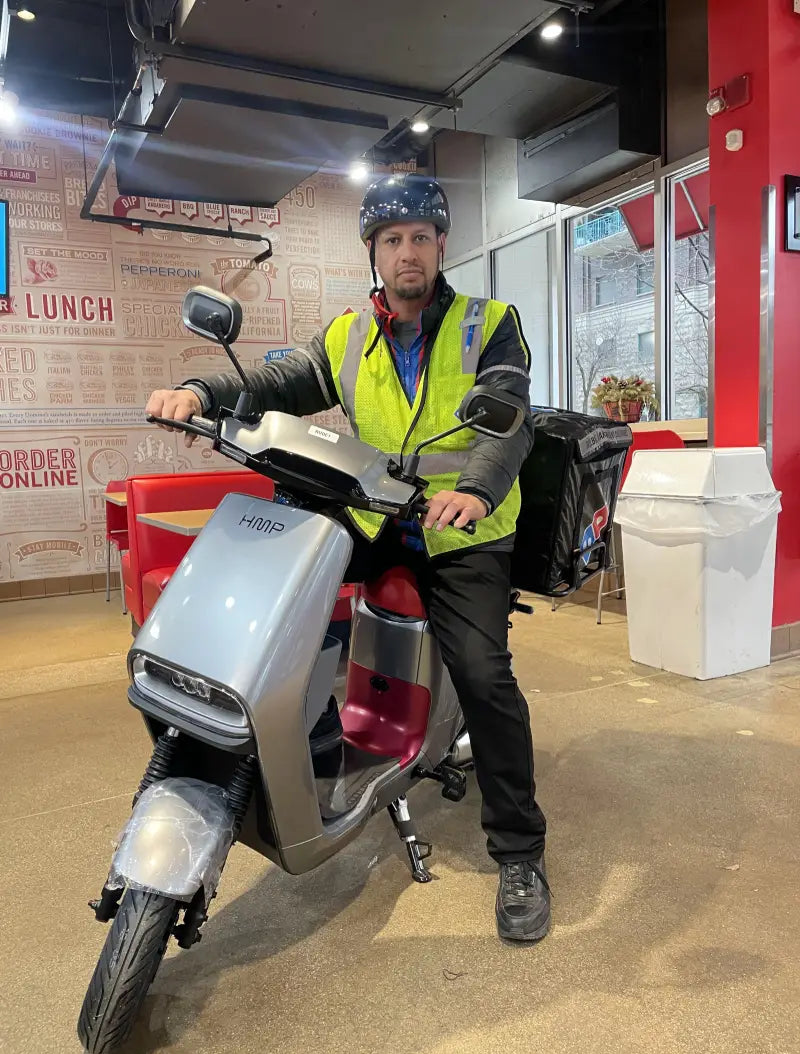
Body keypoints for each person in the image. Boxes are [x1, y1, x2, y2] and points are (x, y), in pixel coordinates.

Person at [146, 174, 550, 942]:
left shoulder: (489, 323)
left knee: (484, 672)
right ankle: (317, 742)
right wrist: (201, 392)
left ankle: (521, 850)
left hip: (464, 530)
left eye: (421, 237)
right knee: (282, 599)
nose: (408, 253)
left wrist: (475, 488)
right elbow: (279, 382)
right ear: (374, 252)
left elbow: (509, 418)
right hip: (381, 517)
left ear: (441, 246)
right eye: (393, 239)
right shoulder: (348, 335)